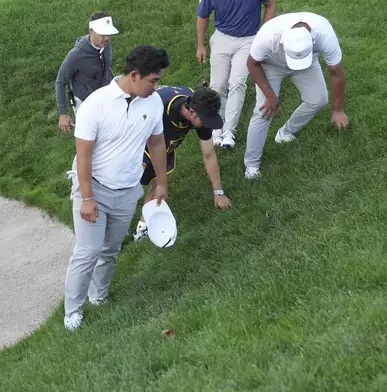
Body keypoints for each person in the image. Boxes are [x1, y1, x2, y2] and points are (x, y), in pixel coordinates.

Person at [63, 44, 171, 330]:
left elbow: (157, 142)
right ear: (135, 75)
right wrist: (87, 198)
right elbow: (83, 154)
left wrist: (162, 182)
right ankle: (72, 312)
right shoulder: (95, 104)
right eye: (153, 80)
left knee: (110, 249)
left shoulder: (154, 102)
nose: (156, 86)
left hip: (128, 190)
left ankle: (98, 296)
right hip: (93, 189)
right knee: (88, 252)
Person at [243, 11, 348, 179]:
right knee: (263, 111)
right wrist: (270, 95)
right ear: (283, 43)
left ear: (312, 39)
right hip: (271, 65)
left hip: (308, 62)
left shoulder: (324, 33)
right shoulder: (268, 35)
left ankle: (285, 133)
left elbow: (336, 72)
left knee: (319, 99)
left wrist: (337, 109)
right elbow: (252, 63)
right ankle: (251, 165)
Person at [133, 85, 233, 241]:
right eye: (205, 120)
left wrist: (218, 193)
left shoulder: (199, 114)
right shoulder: (159, 106)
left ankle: (142, 228)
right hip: (137, 141)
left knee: (160, 180)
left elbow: (209, 154)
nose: (207, 124)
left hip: (165, 145)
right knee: (128, 188)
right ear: (191, 112)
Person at [196, 0, 276, 149]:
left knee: (237, 83)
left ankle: (228, 131)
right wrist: (200, 45)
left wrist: (263, 35)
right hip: (222, 38)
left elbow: (270, 4)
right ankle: (216, 126)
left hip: (248, 40)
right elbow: (203, 15)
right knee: (218, 85)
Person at [55, 11, 119, 134]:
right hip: (86, 102)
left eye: (108, 34)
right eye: (102, 34)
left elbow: (106, 68)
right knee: (89, 140)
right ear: (91, 30)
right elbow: (60, 82)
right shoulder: (75, 56)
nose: (106, 38)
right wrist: (63, 114)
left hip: (107, 96)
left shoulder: (106, 44)